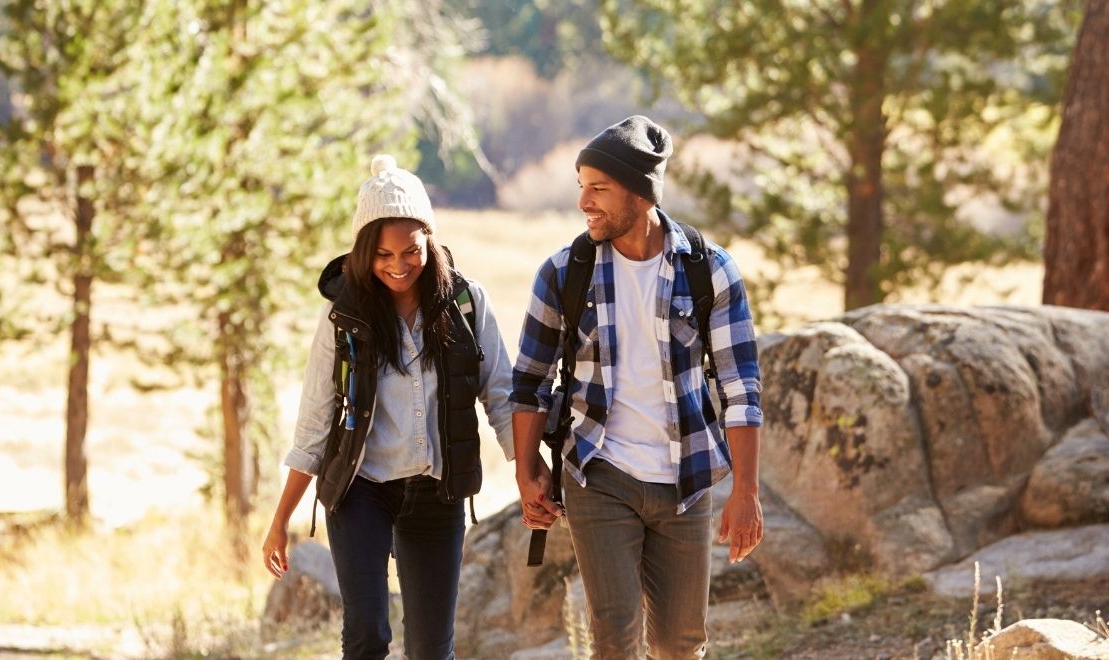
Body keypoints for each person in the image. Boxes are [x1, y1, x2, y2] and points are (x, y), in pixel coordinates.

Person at [509, 115, 765, 659]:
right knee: (615, 636)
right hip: (598, 473)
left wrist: (746, 492)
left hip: (685, 478)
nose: (585, 202)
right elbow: (529, 382)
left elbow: (742, 388)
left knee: (680, 642)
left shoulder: (710, 271)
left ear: (642, 195)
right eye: (582, 187)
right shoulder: (563, 272)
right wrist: (526, 470)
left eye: (599, 188)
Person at [262, 155, 515, 660]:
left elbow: (501, 396)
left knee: (429, 648)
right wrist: (280, 519)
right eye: (382, 254)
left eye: (410, 251)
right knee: (368, 634)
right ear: (362, 252)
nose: (398, 265)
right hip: (361, 492)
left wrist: (529, 474)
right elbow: (314, 422)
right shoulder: (343, 316)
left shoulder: (465, 303)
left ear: (430, 241)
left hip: (436, 494)